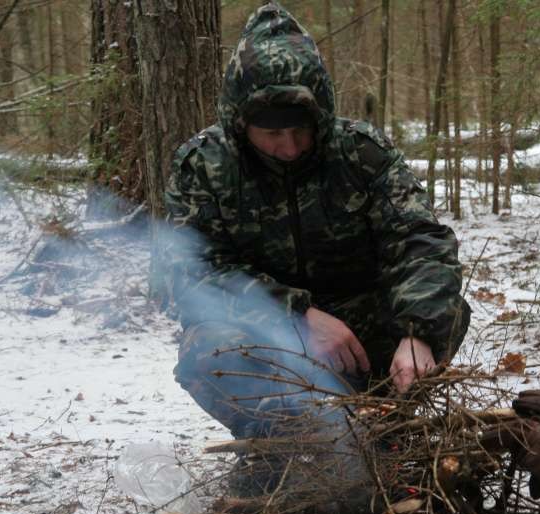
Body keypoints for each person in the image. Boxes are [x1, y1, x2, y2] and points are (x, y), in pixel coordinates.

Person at [165, 3, 470, 440]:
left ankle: (384, 428)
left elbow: (422, 241)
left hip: (363, 338)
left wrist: (416, 333)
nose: (289, 148)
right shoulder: (204, 166)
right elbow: (190, 274)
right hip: (269, 337)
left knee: (448, 312)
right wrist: (297, 314)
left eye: (300, 131)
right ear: (240, 123)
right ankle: (283, 445)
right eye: (271, 134)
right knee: (208, 347)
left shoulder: (361, 153)